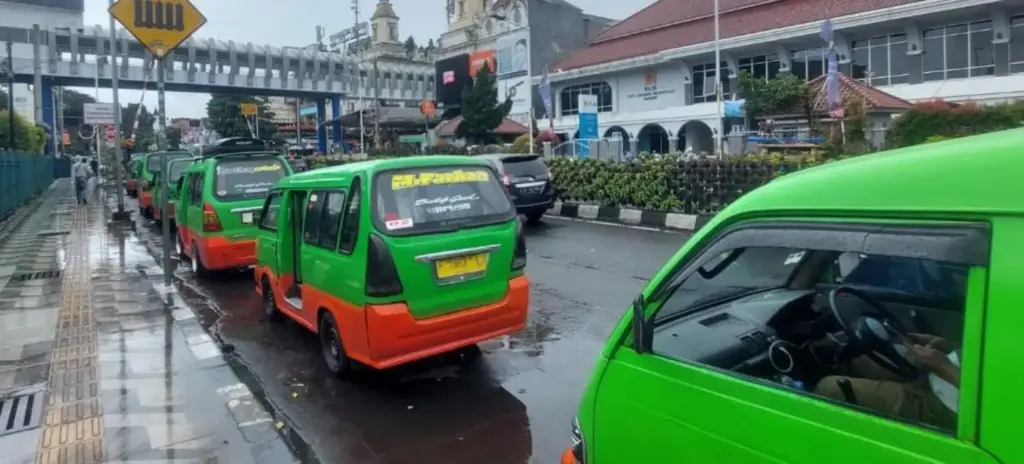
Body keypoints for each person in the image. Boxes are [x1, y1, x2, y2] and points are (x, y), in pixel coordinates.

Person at [814, 333, 961, 431]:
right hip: (937, 374)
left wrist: (944, 367)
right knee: (858, 361)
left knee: (829, 388)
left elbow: (978, 402)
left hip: (945, 405)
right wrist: (947, 346)